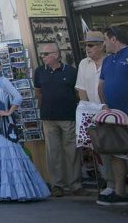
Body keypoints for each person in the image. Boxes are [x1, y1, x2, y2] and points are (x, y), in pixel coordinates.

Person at [0, 56, 49, 201]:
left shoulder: (4, 81)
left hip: (5, 125)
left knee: (11, 154)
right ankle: (2, 191)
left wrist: (9, 111)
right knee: (0, 157)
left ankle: (19, 191)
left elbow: (18, 97)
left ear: (0, 67)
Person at [34, 42, 84, 197]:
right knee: (53, 152)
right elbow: (38, 93)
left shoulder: (71, 71)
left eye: (45, 54)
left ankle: (75, 184)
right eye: (42, 54)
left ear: (56, 55)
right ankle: (57, 185)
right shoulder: (39, 71)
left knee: (72, 151)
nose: (42, 57)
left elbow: (77, 93)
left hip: (68, 116)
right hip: (49, 117)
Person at [76, 31, 112, 197]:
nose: (87, 49)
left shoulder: (111, 60)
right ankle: (110, 182)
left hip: (113, 111)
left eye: (90, 45)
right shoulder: (84, 63)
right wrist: (86, 111)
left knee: (120, 147)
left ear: (101, 45)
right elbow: (81, 89)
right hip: (94, 113)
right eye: (85, 46)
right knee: (102, 149)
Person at [98, 25, 128, 206]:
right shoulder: (108, 61)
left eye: (105, 40)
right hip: (114, 116)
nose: (104, 44)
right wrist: (105, 106)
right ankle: (120, 192)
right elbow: (101, 85)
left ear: (114, 39)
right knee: (117, 154)